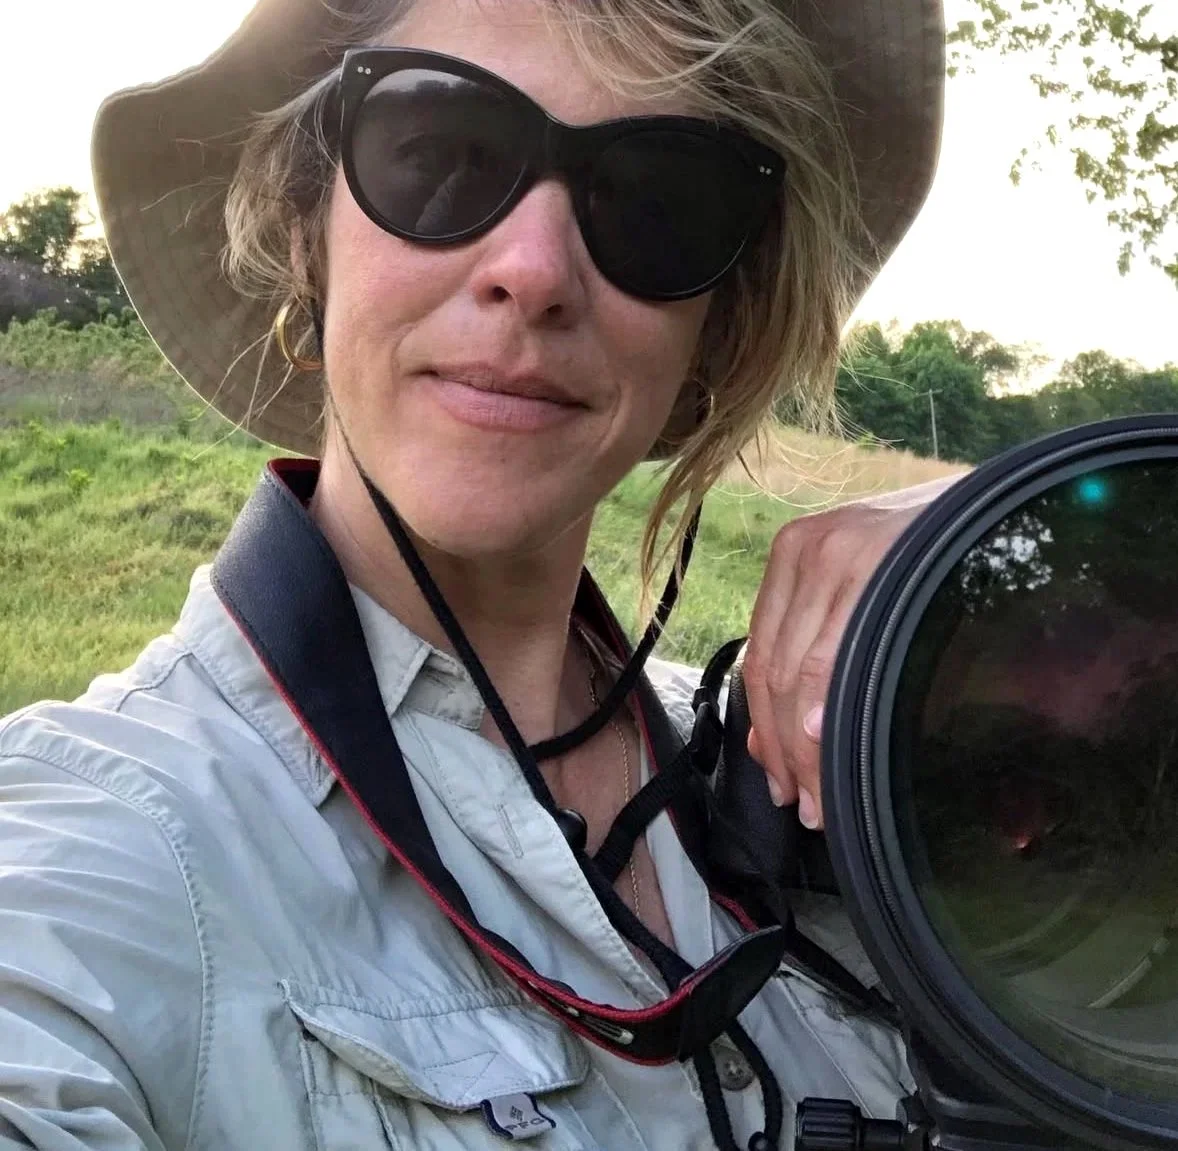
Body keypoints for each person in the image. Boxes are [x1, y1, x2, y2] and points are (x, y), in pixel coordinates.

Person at [0, 0, 952, 1147]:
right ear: (307, 229)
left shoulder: (807, 750)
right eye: (439, 152)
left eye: (654, 199)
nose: (534, 270)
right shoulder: (104, 839)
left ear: (716, 318)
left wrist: (990, 544)